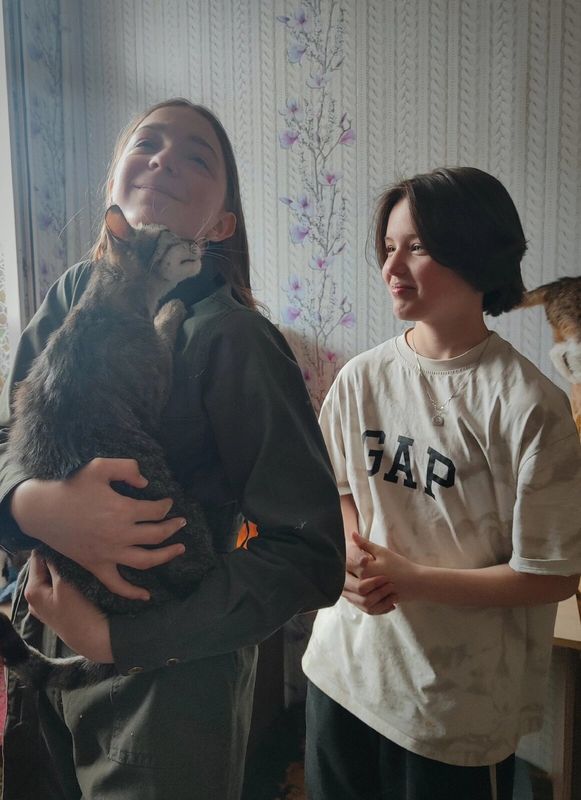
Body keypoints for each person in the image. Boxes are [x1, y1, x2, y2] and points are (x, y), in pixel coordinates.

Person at [0, 98, 345, 800]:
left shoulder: (236, 340)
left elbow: (309, 556)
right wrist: (30, 505)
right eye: (147, 144)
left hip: (168, 677)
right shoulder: (71, 294)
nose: (163, 160)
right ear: (112, 188)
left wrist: (118, 641)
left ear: (219, 226)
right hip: (41, 640)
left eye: (196, 156)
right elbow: (9, 437)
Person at [302, 167, 581, 800]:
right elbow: (336, 488)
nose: (391, 266)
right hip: (342, 672)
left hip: (452, 710)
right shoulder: (360, 379)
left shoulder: (529, 406)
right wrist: (348, 549)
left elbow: (553, 575)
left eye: (417, 247)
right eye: (388, 247)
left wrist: (413, 580)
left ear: (476, 253)